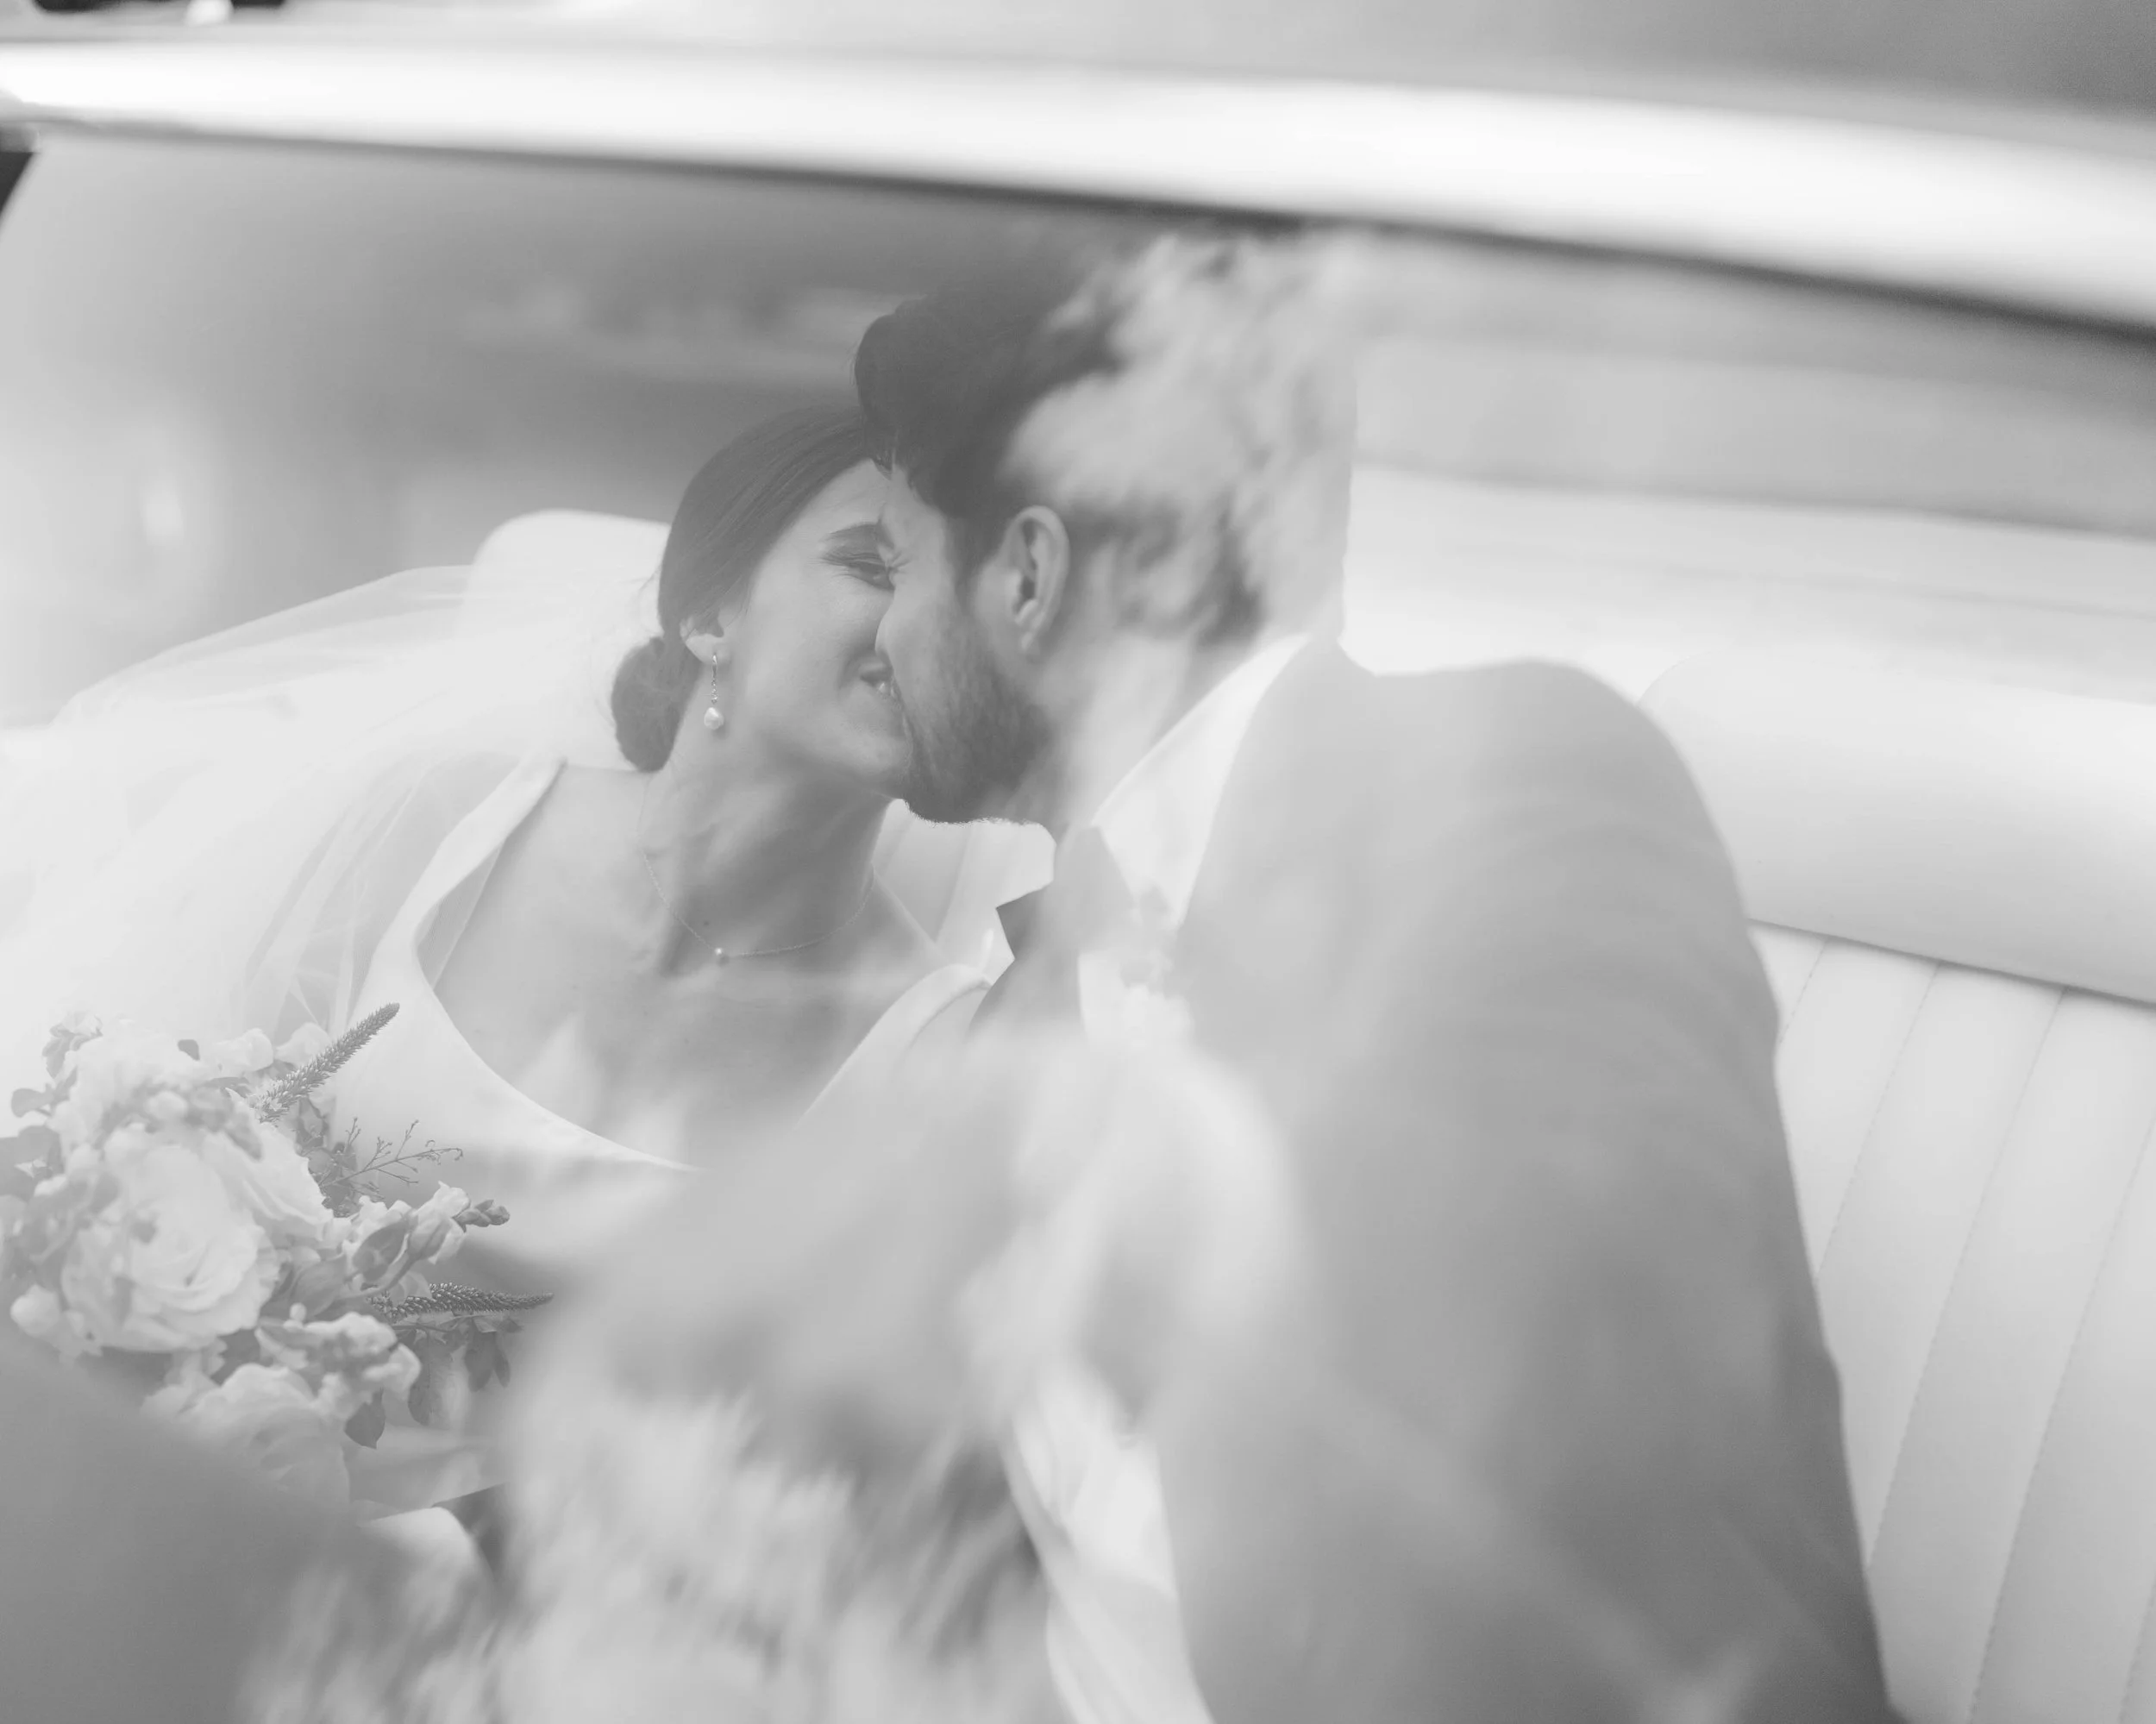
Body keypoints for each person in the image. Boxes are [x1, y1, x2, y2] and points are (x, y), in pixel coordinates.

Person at [587, 234, 1902, 1722]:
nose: (887, 634)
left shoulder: (1519, 798)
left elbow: (1524, 1493)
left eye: (898, 565)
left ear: (1027, 576)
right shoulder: (1030, 987)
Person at [0, 405, 986, 1527]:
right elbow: (137, 1127)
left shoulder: (932, 1052)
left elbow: (794, 1482)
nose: (917, 627)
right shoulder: (441, 814)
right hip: (176, 1479)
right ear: (712, 614)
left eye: (961, 601)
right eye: (870, 565)